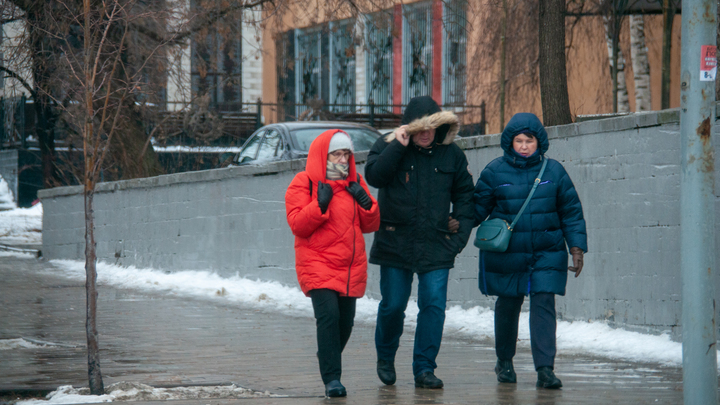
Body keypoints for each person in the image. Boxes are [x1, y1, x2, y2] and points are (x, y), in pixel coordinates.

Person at [365, 96, 475, 389]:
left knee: (434, 307)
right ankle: (385, 357)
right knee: (393, 306)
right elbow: (375, 176)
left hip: (437, 244)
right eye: (419, 128)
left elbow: (466, 195)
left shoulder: (451, 155)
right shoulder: (388, 147)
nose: (426, 134)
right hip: (394, 241)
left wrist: (460, 233)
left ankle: (424, 368)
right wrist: (397, 146)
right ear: (408, 128)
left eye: (432, 127)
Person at [473, 112, 587, 389]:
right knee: (508, 305)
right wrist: (452, 225)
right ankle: (505, 361)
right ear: (509, 142)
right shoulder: (494, 172)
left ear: (540, 142)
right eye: (519, 141)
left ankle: (545, 369)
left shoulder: (554, 172)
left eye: (529, 140)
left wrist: (576, 247)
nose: (524, 146)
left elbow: (570, 212)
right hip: (508, 254)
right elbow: (476, 210)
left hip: (547, 252)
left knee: (544, 303)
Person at [285, 130, 381, 397]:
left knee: (345, 323)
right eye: (335, 154)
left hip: (349, 267)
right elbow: (297, 225)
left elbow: (371, 224)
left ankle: (327, 355)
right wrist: (320, 205)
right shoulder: (303, 182)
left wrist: (365, 202)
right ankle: (332, 380)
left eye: (345, 155)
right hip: (316, 262)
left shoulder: (355, 182)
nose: (341, 160)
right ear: (322, 156)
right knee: (329, 318)